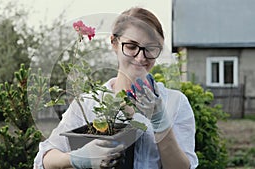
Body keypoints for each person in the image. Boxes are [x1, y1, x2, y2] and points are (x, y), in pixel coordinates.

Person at [34, 7, 198, 169]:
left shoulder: (175, 102)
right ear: (114, 43)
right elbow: (44, 160)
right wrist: (76, 158)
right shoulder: (88, 103)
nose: (141, 57)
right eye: (131, 46)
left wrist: (162, 126)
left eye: (150, 48)